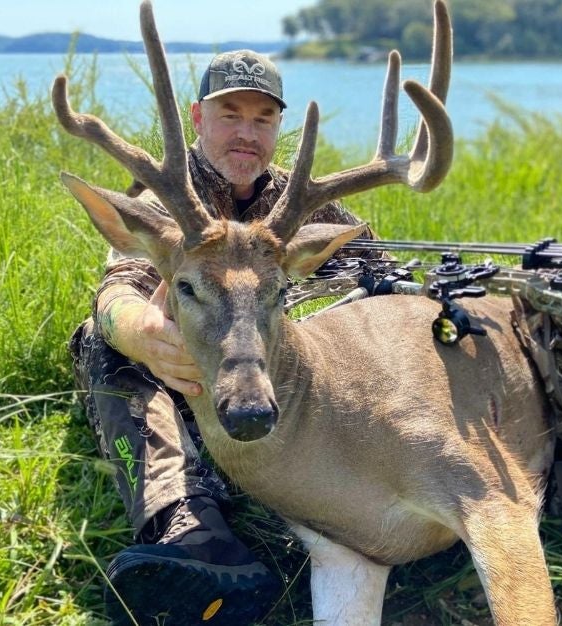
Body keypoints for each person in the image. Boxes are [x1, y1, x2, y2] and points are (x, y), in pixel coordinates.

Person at [68, 50, 377, 626]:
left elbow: (378, 277)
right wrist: (139, 332)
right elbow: (117, 291)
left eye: (262, 118)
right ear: (197, 117)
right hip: (192, 377)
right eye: (230, 113)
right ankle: (188, 527)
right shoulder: (168, 199)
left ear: (279, 127)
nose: (246, 132)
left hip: (285, 386)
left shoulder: (302, 203)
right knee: (102, 341)